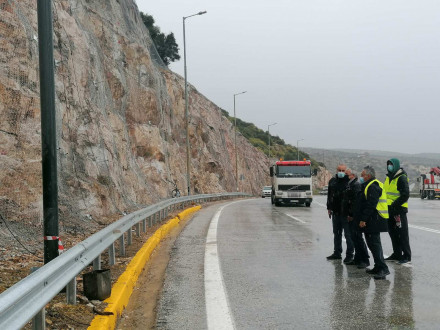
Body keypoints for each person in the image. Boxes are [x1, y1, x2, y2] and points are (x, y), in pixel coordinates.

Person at [358, 166, 390, 280]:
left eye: (363, 175)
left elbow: (371, 205)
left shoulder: (373, 186)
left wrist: (363, 220)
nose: (361, 177)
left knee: (375, 245)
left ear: (368, 175)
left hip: (375, 219)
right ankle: (377, 266)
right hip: (374, 219)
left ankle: (383, 268)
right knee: (372, 244)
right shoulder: (371, 185)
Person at [384, 158, 411, 264]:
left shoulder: (401, 178)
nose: (389, 166)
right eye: (388, 164)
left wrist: (395, 205)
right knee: (393, 233)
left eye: (391, 164)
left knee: (402, 233)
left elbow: (405, 195)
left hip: (399, 210)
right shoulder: (388, 177)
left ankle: (406, 255)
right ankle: (397, 253)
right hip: (389, 209)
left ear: (396, 165)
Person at [342, 169, 370, 268]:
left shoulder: (356, 185)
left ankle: (364, 259)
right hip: (350, 215)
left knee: (358, 238)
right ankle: (358, 258)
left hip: (354, 216)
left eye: (347, 174)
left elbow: (355, 202)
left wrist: (352, 215)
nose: (345, 175)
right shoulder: (350, 184)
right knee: (354, 238)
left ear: (353, 175)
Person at [326, 164, 354, 263]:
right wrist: (329, 208)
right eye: (339, 170)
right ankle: (337, 253)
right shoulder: (332, 181)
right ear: (336, 170)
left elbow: (351, 199)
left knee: (348, 235)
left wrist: (350, 214)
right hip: (335, 212)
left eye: (343, 170)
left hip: (345, 213)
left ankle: (350, 255)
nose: (341, 172)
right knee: (337, 234)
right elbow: (329, 195)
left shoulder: (348, 182)